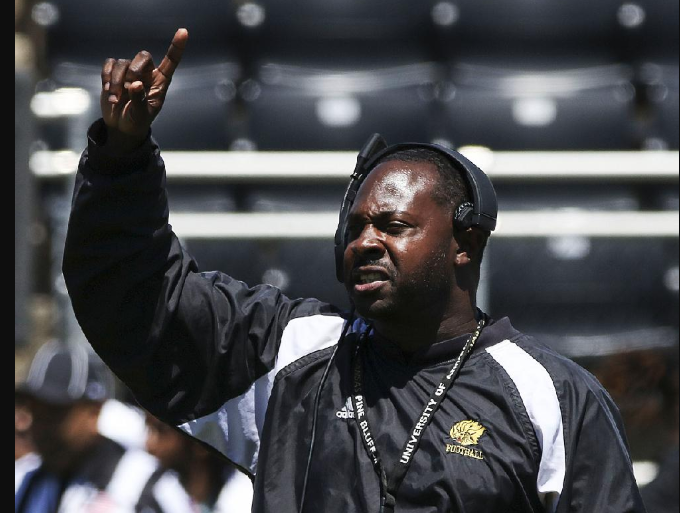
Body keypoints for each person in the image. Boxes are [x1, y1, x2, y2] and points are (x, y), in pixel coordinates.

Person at [62, 29, 647, 512]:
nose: (365, 242)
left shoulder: (553, 396)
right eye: (356, 227)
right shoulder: (288, 357)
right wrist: (121, 157)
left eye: (393, 227)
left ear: (464, 243)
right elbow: (137, 305)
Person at [15, 340, 194, 513]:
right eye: (35, 411)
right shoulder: (24, 481)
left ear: (94, 411)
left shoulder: (145, 484)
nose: (39, 424)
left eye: (54, 412)